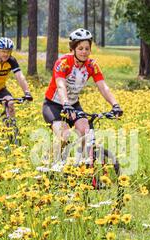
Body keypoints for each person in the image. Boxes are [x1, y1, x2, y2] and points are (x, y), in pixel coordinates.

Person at [42, 28, 123, 168]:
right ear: (73, 49)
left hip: (73, 105)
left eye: (87, 48)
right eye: (80, 48)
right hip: (53, 105)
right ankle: (52, 163)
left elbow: (103, 87)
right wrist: (65, 103)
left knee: (86, 132)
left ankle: (84, 168)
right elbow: (60, 85)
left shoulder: (92, 65)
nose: (84, 51)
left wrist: (115, 105)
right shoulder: (63, 62)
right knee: (64, 135)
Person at [0, 37, 33, 129]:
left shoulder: (11, 61)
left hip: (1, 90)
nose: (6, 54)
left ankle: (11, 130)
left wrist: (27, 92)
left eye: (8, 51)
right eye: (3, 51)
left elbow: (20, 76)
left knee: (10, 103)